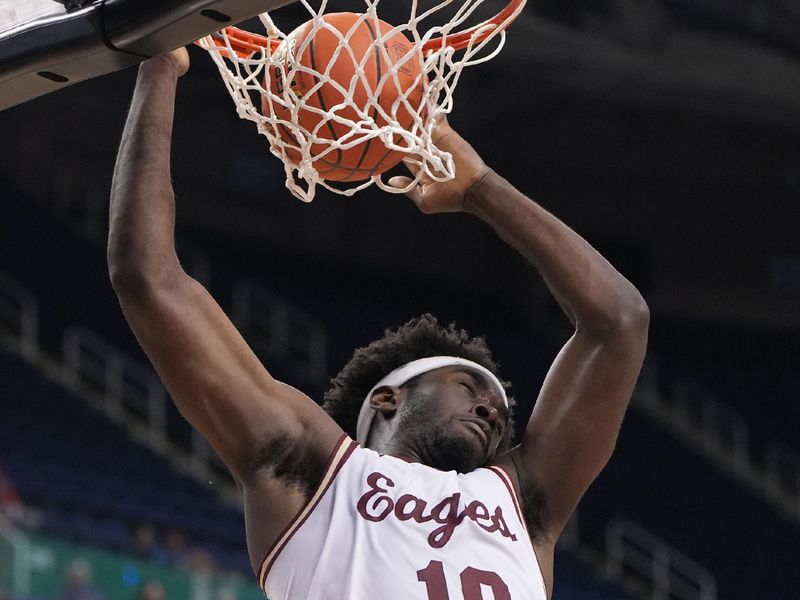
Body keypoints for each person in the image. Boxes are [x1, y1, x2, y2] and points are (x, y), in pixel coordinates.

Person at [108, 47, 649, 600]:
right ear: (388, 398)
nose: (492, 409)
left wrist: (482, 188)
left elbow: (620, 322)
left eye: (500, 413)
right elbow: (148, 277)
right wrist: (160, 67)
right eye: (468, 386)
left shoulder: (525, 503)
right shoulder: (312, 471)